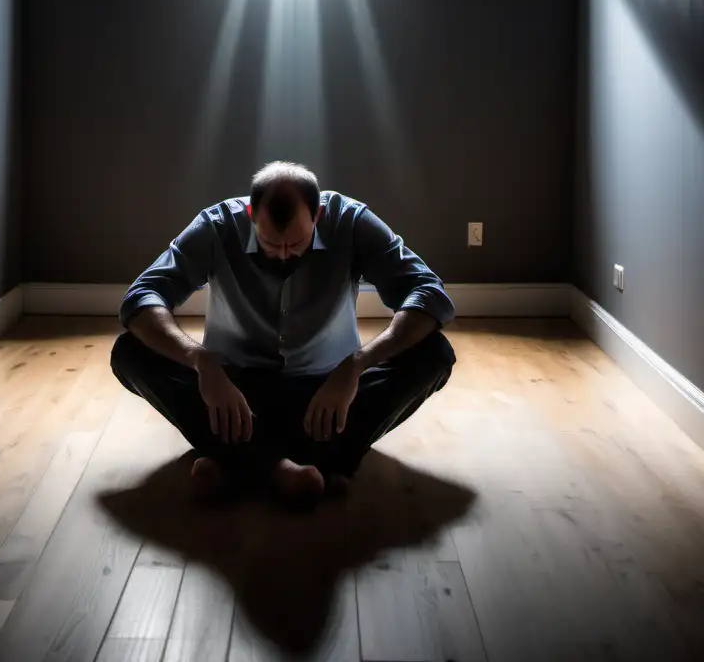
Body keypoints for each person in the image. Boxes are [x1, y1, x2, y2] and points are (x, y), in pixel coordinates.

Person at [111, 161, 456, 503]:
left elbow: (428, 292)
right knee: (130, 351)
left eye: (297, 243)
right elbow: (142, 297)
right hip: (236, 390)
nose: (284, 255)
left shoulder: (350, 221)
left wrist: (357, 364)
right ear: (250, 214)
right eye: (270, 244)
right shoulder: (216, 226)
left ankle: (235, 461)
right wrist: (200, 359)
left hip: (329, 392)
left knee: (435, 353)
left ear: (317, 215)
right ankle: (314, 463)